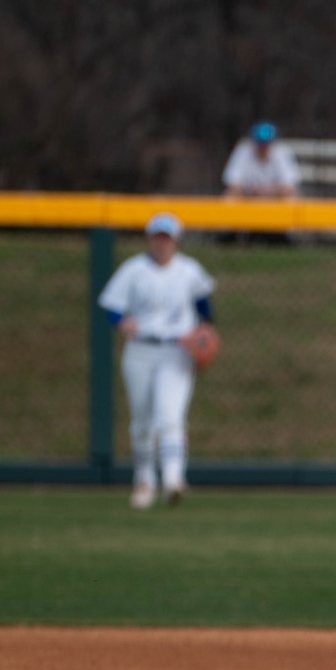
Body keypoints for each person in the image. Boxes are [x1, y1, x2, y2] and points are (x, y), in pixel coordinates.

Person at [97, 213, 216, 509]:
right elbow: (111, 306)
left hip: (177, 350)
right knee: (142, 421)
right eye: (158, 237)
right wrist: (121, 322)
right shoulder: (134, 270)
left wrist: (204, 333)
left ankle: (174, 480)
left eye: (167, 238)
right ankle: (144, 481)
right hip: (141, 348)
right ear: (150, 239)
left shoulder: (188, 270)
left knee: (170, 416)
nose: (162, 243)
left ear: (176, 241)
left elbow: (205, 308)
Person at [222, 121, 301, 199]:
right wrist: (254, 191)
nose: (263, 147)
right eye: (260, 143)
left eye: (266, 143)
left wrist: (267, 191)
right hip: (248, 198)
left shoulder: (282, 152)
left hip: (275, 199)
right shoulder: (244, 150)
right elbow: (232, 184)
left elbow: (289, 186)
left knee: (291, 197)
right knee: (230, 196)